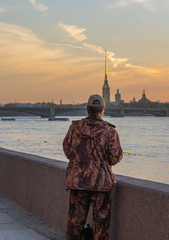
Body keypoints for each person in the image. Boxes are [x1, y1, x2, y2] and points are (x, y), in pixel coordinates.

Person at [63, 94, 123, 240]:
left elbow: (67, 150)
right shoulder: (110, 131)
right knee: (100, 225)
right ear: (102, 110)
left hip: (78, 181)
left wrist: (80, 160)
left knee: (75, 224)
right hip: (101, 184)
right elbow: (114, 158)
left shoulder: (74, 128)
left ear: (87, 109)